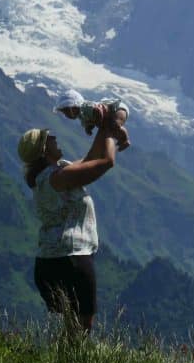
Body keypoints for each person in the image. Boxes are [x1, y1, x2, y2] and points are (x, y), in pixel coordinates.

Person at [17, 124, 118, 333]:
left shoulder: (49, 176)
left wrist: (103, 127)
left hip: (48, 260)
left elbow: (89, 158)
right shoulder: (59, 178)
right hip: (71, 258)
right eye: (50, 137)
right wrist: (111, 132)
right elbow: (106, 162)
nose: (55, 137)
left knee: (72, 326)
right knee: (82, 325)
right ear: (44, 149)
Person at [53, 88, 131, 151]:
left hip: (117, 109)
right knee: (111, 129)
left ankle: (125, 140)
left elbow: (98, 111)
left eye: (66, 111)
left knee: (116, 124)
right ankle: (120, 140)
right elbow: (88, 122)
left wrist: (100, 122)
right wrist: (89, 128)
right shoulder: (81, 116)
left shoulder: (86, 107)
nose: (66, 114)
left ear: (74, 106)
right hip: (108, 116)